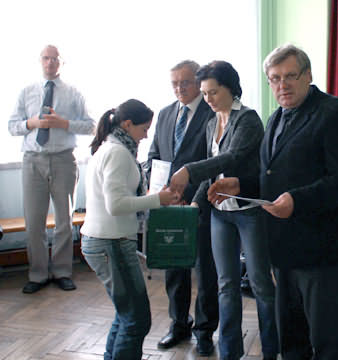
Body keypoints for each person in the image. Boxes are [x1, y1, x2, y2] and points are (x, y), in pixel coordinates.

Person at [207, 44, 338, 359]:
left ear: (308, 75)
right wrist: (241, 185)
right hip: (283, 249)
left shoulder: (335, 113)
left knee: (326, 342)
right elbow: (274, 177)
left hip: (322, 252)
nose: (283, 85)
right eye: (275, 78)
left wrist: (296, 200)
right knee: (291, 340)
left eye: (290, 76)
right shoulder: (276, 117)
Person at [169, 61, 278, 360]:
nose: (208, 99)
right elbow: (212, 175)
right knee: (226, 284)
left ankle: (272, 350)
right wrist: (197, 202)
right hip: (220, 212)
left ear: (231, 88)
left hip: (249, 211)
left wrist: (188, 171)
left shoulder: (248, 120)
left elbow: (231, 158)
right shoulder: (210, 123)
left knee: (260, 283)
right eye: (204, 93)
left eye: (214, 92)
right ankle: (230, 352)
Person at [81, 99, 178, 359]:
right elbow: (116, 205)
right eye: (144, 129)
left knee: (126, 314)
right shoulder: (118, 153)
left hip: (106, 240)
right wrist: (157, 199)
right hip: (110, 241)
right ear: (127, 124)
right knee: (136, 320)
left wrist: (154, 197)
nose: (146, 136)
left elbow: (119, 198)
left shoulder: (111, 148)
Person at [145, 60, 218, 356]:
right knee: (174, 268)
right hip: (169, 203)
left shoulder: (212, 113)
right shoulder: (165, 114)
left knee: (206, 271)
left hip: (200, 203)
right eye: (174, 83)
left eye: (185, 82)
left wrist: (192, 198)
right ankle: (179, 324)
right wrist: (158, 190)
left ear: (198, 82)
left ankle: (205, 331)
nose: (179, 88)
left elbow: (213, 162)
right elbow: (154, 156)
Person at [8, 44, 95, 294]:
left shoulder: (74, 93)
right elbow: (12, 126)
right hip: (32, 161)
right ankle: (37, 274)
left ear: (62, 62)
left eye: (55, 59)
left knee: (64, 220)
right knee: (34, 221)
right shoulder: (27, 92)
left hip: (63, 160)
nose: (50, 63)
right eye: (46, 58)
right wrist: (32, 123)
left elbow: (91, 126)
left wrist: (63, 123)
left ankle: (62, 272)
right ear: (40, 60)